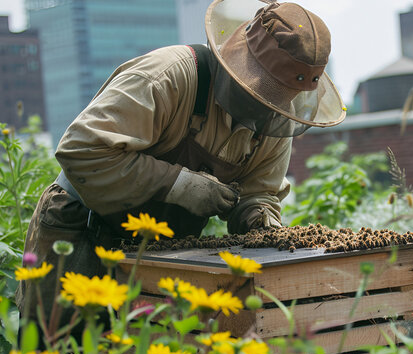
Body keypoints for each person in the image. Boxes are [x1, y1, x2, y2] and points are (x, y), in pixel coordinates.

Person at [16, 0, 345, 333]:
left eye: (281, 99)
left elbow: (259, 193)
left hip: (164, 251)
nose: (270, 108)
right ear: (240, 63)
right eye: (264, 93)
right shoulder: (167, 77)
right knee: (60, 345)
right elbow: (82, 150)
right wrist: (180, 185)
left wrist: (260, 220)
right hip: (81, 228)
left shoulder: (276, 117)